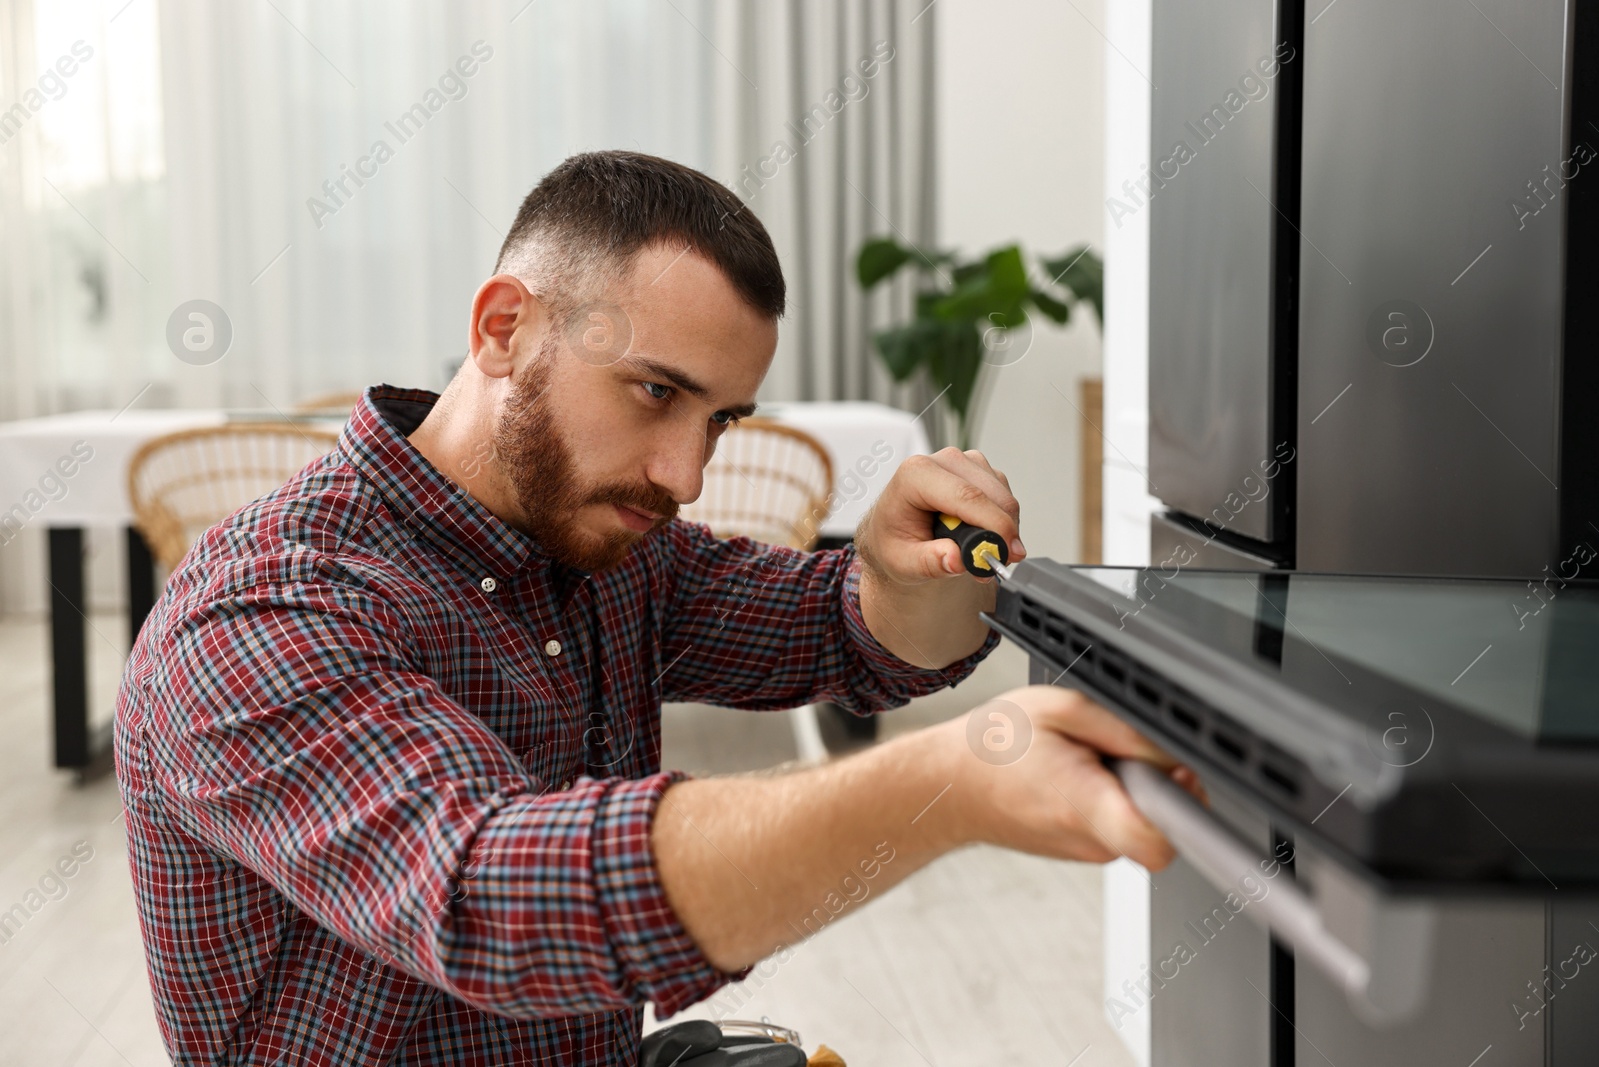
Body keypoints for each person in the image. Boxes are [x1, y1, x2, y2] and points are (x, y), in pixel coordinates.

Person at [115, 150, 1193, 1066]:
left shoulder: (610, 549)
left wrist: (914, 575)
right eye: (654, 391)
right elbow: (487, 894)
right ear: (502, 328)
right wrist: (954, 779)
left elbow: (848, 629)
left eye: (720, 419)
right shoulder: (261, 607)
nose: (685, 473)